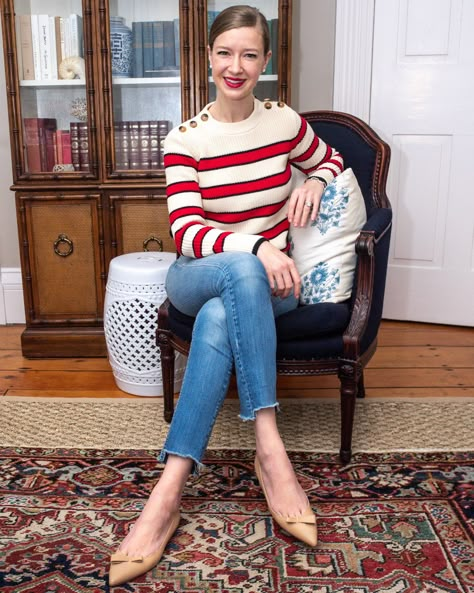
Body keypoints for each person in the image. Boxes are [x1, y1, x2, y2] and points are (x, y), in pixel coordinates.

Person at [109, 5, 343, 586]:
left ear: (265, 61)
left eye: (248, 54)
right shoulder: (184, 139)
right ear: (208, 58)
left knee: (221, 315)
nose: (234, 66)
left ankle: (166, 494)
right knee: (234, 273)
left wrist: (313, 178)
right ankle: (271, 446)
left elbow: (333, 161)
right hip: (199, 271)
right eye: (224, 53)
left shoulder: (284, 123)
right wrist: (257, 247)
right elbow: (186, 231)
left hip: (268, 287)